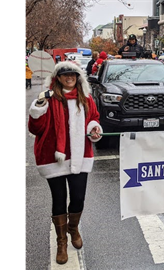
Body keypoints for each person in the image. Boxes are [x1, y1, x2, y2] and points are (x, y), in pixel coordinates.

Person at [27, 61, 103, 264]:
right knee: (59, 200)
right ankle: (61, 242)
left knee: (78, 198)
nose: (69, 77)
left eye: (73, 74)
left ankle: (73, 228)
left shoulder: (86, 98)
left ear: (78, 77)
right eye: (65, 75)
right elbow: (35, 129)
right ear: (58, 78)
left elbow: (93, 119)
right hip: (53, 157)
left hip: (80, 155)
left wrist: (94, 128)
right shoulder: (48, 99)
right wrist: (38, 109)